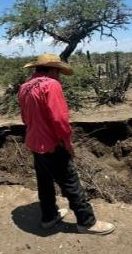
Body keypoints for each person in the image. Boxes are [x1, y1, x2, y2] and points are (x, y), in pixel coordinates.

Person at [18, 53, 115, 235]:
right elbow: (59, 120)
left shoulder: (24, 87)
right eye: (59, 71)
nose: (59, 75)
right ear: (53, 69)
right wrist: (67, 143)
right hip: (53, 144)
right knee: (71, 182)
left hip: (34, 142)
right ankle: (86, 222)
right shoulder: (51, 85)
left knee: (44, 182)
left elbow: (25, 118)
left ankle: (49, 217)